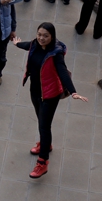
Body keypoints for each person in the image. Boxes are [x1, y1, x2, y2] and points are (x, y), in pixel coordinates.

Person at [13, 23, 87, 179]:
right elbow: (28, 46)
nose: (41, 38)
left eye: (45, 35)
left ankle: (43, 162)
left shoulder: (56, 54)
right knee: (41, 121)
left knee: (44, 127)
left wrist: (73, 92)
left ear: (52, 36)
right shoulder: (35, 44)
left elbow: (63, 72)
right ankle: (46, 145)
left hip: (50, 95)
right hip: (35, 92)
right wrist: (17, 43)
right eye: (39, 34)